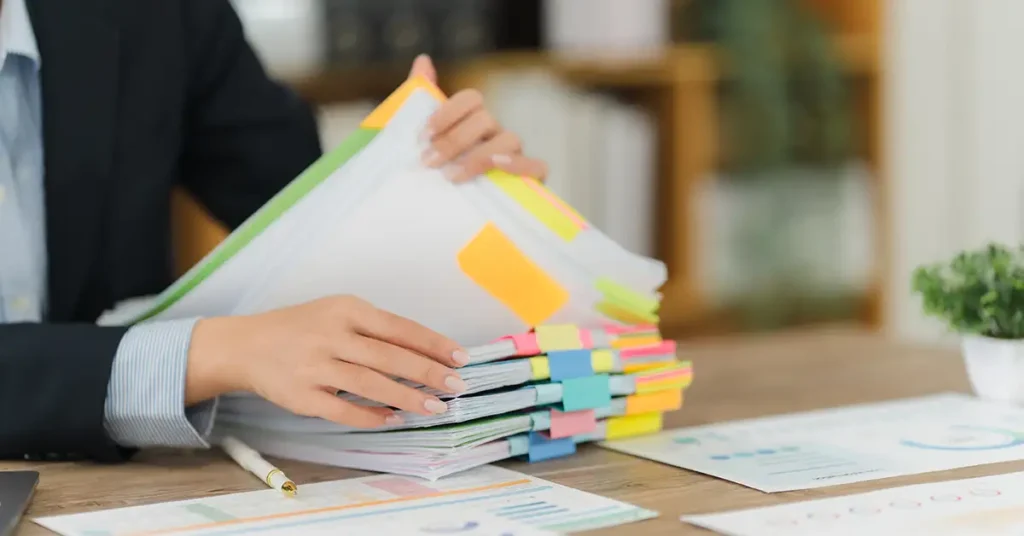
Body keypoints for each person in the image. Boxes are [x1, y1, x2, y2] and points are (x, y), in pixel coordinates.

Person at [0, 0, 548, 462]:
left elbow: (298, 211)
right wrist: (206, 354)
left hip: (140, 483)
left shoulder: (155, 12)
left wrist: (446, 180)